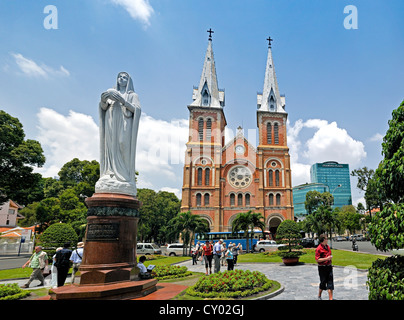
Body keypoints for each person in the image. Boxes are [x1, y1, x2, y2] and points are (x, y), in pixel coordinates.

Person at [95, 72, 142, 196]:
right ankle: (109, 173)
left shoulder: (132, 95)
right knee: (110, 146)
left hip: (125, 123)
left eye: (125, 77)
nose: (122, 79)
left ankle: (124, 175)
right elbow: (103, 107)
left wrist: (123, 101)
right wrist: (103, 100)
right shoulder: (111, 92)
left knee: (122, 145)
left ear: (129, 81)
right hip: (111, 123)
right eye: (120, 77)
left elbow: (136, 110)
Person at [315, 234, 334, 300]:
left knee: (330, 283)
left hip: (329, 267)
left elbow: (329, 256)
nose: (327, 240)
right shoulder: (318, 249)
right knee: (323, 282)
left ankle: (330, 298)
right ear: (323, 240)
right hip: (322, 268)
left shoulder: (327, 247)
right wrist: (326, 259)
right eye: (326, 239)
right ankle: (319, 294)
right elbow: (317, 259)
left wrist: (330, 263)